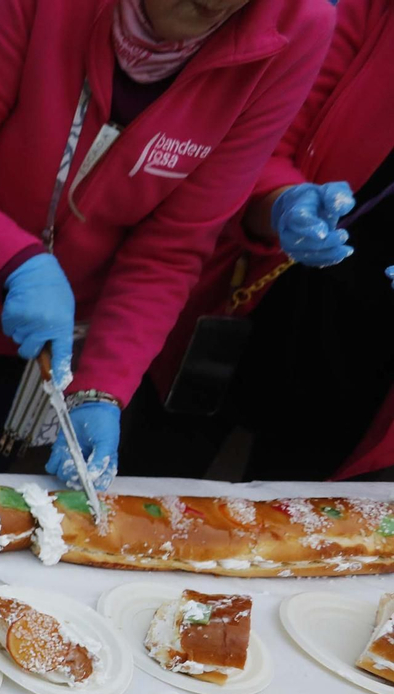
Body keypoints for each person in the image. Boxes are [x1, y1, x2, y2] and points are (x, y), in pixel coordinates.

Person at [0, 0, 333, 490]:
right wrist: (17, 263)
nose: (212, 5)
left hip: (52, 332)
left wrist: (104, 386)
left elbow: (172, 247)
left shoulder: (297, 25)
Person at [122, 0, 394, 483]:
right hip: (254, 295)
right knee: (148, 487)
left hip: (366, 365)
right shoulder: (371, 13)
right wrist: (283, 201)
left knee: (306, 536)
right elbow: (262, 135)